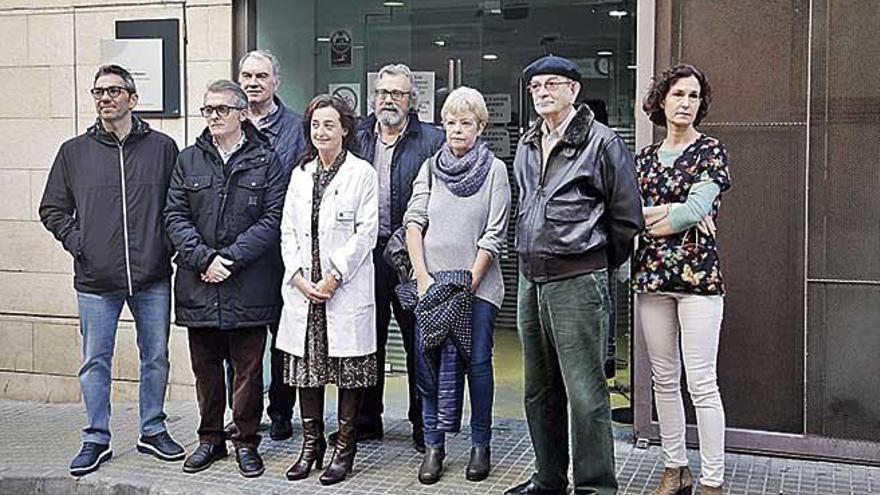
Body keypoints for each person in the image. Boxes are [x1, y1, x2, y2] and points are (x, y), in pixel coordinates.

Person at [505, 55, 643, 495]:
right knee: (538, 391)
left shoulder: (602, 143)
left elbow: (626, 218)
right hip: (532, 278)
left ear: (573, 91)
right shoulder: (528, 143)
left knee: (585, 395)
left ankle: (595, 486)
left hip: (578, 280)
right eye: (535, 87)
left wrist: (596, 262)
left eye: (552, 85)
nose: (542, 92)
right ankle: (548, 480)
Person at [39, 64, 185, 477]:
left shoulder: (162, 148)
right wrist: (79, 242)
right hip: (95, 280)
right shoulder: (74, 152)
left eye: (114, 91)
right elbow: (52, 208)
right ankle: (96, 437)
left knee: (155, 356)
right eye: (99, 91)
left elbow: (177, 206)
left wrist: (167, 246)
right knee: (95, 361)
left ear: (133, 99)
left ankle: (152, 430)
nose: (105, 98)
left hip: (152, 276)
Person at [164, 80, 286, 478]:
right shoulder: (188, 161)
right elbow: (174, 216)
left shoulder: (266, 160)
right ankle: (210, 439)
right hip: (199, 283)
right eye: (207, 110)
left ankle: (247, 442)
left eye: (221, 109)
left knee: (249, 371)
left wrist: (229, 259)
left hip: (248, 284)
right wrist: (203, 258)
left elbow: (273, 219)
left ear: (241, 113)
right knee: (206, 369)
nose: (213, 117)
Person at [402, 86, 511, 484]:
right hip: (431, 287)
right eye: (451, 122)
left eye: (466, 123)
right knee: (428, 363)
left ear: (480, 127)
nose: (457, 130)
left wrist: (468, 283)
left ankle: (480, 445)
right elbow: (413, 222)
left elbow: (494, 235)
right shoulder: (430, 167)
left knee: (477, 363)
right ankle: (434, 446)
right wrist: (424, 278)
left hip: (477, 288)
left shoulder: (496, 170)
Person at [633, 64, 731, 495]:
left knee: (702, 382)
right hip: (652, 278)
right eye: (678, 95)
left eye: (693, 96)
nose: (686, 103)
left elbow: (697, 211)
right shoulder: (643, 159)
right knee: (663, 379)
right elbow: (627, 217)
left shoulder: (711, 151)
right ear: (661, 101)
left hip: (699, 281)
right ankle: (675, 467)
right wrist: (675, 213)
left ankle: (712, 481)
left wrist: (653, 216)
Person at [276, 94, 379, 486]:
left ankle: (344, 450)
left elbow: (366, 232)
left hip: (342, 287)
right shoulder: (300, 173)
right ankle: (311, 446)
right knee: (308, 372)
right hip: (305, 289)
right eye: (316, 125)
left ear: (345, 129)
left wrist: (333, 277)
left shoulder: (362, 173)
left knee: (348, 372)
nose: (321, 132)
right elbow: (287, 230)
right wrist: (299, 278)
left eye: (329, 125)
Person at [354, 63, 445, 452]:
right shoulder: (356, 136)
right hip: (365, 256)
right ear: (374, 97)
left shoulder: (432, 140)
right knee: (366, 339)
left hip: (413, 258)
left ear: (412, 100)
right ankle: (365, 420)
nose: (389, 100)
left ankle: (423, 425)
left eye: (399, 94)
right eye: (383, 92)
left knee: (419, 343)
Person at [233, 49, 307, 443]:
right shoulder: (229, 123)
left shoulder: (297, 128)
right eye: (246, 75)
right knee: (239, 339)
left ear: (276, 81)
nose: (253, 83)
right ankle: (242, 413)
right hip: (240, 255)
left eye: (261, 76)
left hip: (281, 254)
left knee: (284, 339)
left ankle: (281, 412)